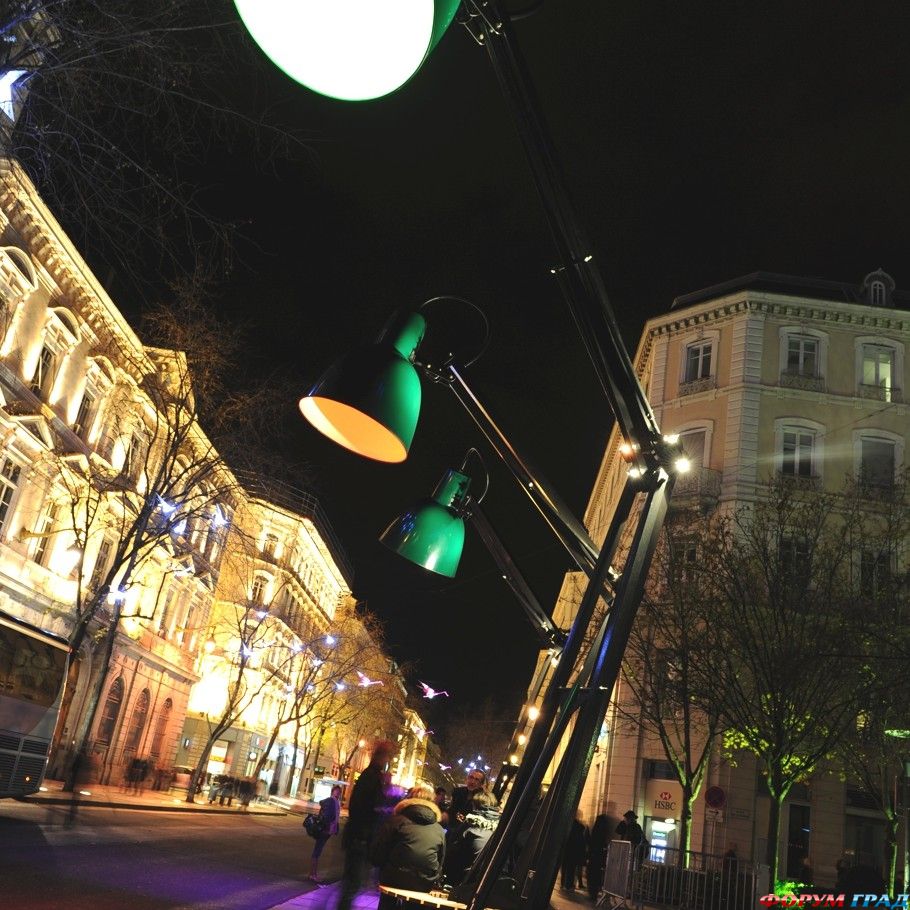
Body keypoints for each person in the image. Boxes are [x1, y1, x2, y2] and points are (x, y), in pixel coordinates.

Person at [337, 739, 396, 910]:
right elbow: (366, 807)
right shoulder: (372, 777)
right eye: (387, 757)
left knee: (352, 883)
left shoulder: (370, 776)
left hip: (359, 836)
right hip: (361, 838)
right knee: (353, 883)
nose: (388, 761)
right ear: (382, 757)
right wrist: (384, 807)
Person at [371, 784, 446, 910]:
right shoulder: (438, 829)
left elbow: (377, 853)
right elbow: (441, 859)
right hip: (424, 882)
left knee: (388, 903)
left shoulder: (396, 821)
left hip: (393, 878)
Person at [444, 791, 500, 890]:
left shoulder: (471, 823)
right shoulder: (501, 826)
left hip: (465, 879)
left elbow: (452, 850)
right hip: (488, 880)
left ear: (474, 806)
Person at [308, 784, 342, 882]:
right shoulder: (331, 801)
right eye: (336, 791)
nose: (338, 793)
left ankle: (313, 873)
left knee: (318, 850)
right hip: (325, 830)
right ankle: (312, 874)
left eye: (339, 791)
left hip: (329, 830)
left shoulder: (336, 802)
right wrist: (327, 827)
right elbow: (328, 816)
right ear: (333, 791)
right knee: (317, 850)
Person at [561, 810, 589, 891]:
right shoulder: (579, 827)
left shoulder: (569, 825)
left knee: (565, 868)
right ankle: (568, 885)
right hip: (573, 852)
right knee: (571, 869)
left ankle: (564, 884)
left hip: (567, 850)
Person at [587, 813, 612, 900]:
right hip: (599, 857)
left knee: (592, 874)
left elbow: (591, 842)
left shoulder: (595, 830)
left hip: (593, 856)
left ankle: (592, 893)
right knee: (597, 875)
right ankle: (594, 892)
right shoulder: (603, 832)